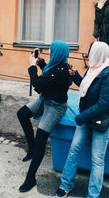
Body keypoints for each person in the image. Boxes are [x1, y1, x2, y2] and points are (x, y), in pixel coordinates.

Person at [56, 41, 109, 198]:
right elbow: (85, 88)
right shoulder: (93, 69)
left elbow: (104, 104)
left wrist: (81, 117)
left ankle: (93, 195)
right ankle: (66, 184)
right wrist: (75, 75)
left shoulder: (107, 74)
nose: (89, 53)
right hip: (85, 118)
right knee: (74, 150)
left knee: (97, 160)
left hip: (99, 121)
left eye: (91, 50)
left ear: (98, 53)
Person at [17, 40, 70, 193]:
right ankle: (31, 148)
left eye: (52, 50)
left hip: (55, 107)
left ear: (57, 53)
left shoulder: (62, 71)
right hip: (45, 99)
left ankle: (30, 178)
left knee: (41, 138)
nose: (49, 51)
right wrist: (40, 63)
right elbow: (48, 71)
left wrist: (33, 66)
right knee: (22, 114)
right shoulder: (57, 65)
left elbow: (39, 84)